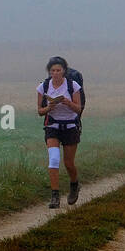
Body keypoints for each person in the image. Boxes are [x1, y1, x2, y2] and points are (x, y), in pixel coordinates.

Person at [36, 55, 84, 208]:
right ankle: (55, 196)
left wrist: (67, 102)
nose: (55, 73)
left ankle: (74, 185)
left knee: (69, 163)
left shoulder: (73, 86)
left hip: (70, 126)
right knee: (54, 159)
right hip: (53, 126)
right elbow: (40, 111)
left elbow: (79, 108)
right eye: (52, 70)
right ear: (49, 72)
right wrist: (49, 107)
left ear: (64, 71)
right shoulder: (43, 87)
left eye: (58, 70)